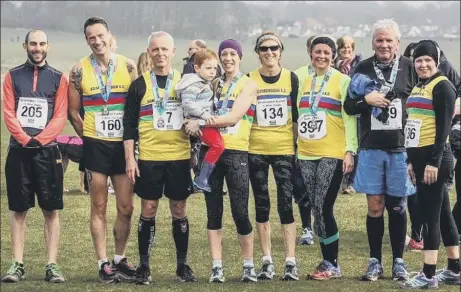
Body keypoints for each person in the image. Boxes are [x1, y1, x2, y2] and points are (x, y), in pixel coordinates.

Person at [67, 16, 138, 283]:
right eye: (90, 38)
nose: (96, 41)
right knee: (98, 204)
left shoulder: (129, 66)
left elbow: (136, 106)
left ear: (109, 35)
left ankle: (120, 260)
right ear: (87, 40)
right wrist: (89, 135)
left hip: (122, 146)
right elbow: (73, 112)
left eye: (100, 35)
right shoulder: (79, 70)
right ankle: (103, 263)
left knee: (126, 207)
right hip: (96, 144)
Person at [123, 31, 197, 285]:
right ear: (149, 52)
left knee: (179, 208)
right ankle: (144, 266)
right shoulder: (139, 85)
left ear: (173, 52)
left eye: (165, 49)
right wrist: (130, 159)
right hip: (149, 158)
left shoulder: (186, 82)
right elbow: (129, 127)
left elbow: (198, 116)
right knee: (149, 208)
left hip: (178, 157)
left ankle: (182, 266)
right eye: (155, 49)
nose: (160, 53)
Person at [344, 19, 414, 282]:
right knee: (375, 206)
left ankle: (399, 262)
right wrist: (365, 100)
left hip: (401, 148)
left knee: (397, 206)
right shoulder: (361, 68)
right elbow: (349, 106)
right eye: (379, 40)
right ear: (372, 43)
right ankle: (375, 262)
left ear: (398, 43)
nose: (384, 45)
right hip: (371, 148)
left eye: (389, 40)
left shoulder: (409, 67)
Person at [184, 39, 258, 283]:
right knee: (213, 212)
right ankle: (217, 266)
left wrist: (201, 123)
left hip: (236, 152)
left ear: (240, 56)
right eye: (223, 54)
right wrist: (191, 122)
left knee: (240, 211)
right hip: (211, 153)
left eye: (232, 54)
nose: (227, 58)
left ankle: (248, 265)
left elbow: (233, 117)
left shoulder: (248, 84)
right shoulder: (212, 83)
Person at [1, 29, 68, 283]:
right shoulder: (12, 76)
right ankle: (17, 263)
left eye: (41, 44)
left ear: (48, 46)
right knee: (18, 209)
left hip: (47, 151)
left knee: (51, 209)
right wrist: (24, 138)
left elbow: (60, 114)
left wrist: (40, 139)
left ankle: (52, 265)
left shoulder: (58, 78)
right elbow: (8, 112)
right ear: (24, 45)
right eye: (33, 44)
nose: (37, 48)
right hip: (19, 151)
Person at [296, 34, 357, 280]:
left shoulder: (343, 81)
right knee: (316, 209)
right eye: (317, 51)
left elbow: (350, 118)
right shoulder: (301, 79)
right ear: (310, 53)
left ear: (334, 56)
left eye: (327, 53)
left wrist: (350, 150)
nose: (321, 56)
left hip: (332, 153)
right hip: (306, 153)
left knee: (323, 206)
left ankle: (332, 264)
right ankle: (326, 262)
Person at [402, 40, 460, 289]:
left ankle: (428, 274)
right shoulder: (418, 86)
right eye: (418, 60)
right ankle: (455, 269)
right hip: (420, 159)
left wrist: (433, 163)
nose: (423, 64)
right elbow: (413, 125)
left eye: (428, 60)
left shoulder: (443, 87)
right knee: (445, 216)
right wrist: (410, 161)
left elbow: (443, 129)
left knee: (430, 217)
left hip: (436, 160)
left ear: (437, 61)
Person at [247, 31, 300, 281]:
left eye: (274, 48)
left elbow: (298, 117)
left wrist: (297, 149)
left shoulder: (292, 78)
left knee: (285, 203)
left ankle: (290, 261)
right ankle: (267, 260)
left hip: (284, 150)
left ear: (281, 51)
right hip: (256, 148)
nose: (269, 52)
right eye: (264, 48)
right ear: (257, 52)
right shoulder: (249, 79)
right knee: (261, 203)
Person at [175, 49, 223, 192]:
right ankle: (202, 178)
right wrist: (204, 115)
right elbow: (188, 103)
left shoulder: (204, 82)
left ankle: (201, 177)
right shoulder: (194, 84)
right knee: (218, 146)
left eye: (215, 68)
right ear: (197, 68)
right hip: (201, 123)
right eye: (208, 68)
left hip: (203, 121)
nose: (212, 72)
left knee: (212, 147)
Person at [293, 34, 315, 246]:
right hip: (302, 139)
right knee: (301, 186)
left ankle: (321, 223)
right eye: (314, 49)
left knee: (323, 189)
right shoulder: (298, 75)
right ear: (309, 51)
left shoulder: (338, 77)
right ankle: (307, 227)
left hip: (328, 141)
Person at [335, 35, 364, 195]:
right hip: (336, 112)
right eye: (343, 47)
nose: (346, 49)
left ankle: (352, 182)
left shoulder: (360, 65)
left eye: (349, 47)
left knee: (355, 147)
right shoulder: (333, 65)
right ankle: (340, 180)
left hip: (355, 111)